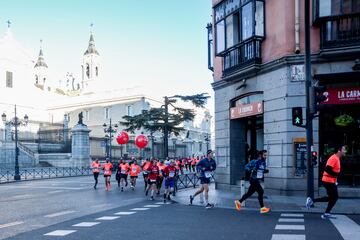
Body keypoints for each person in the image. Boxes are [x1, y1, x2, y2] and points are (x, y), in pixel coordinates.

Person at [306, 145, 346, 219]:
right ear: (339, 150)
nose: (345, 151)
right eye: (344, 150)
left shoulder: (336, 158)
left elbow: (333, 170)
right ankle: (325, 212)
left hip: (330, 181)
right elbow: (327, 169)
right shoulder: (334, 158)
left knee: (332, 198)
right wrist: (336, 175)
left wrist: (335, 178)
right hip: (328, 181)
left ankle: (313, 201)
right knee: (334, 197)